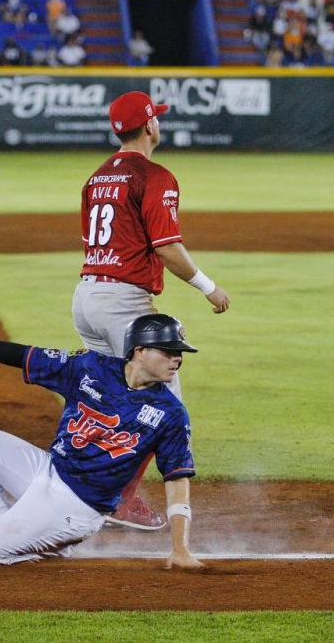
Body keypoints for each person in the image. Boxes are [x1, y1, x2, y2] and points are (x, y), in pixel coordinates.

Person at [72, 91, 230, 531]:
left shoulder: (96, 177)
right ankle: (120, 500)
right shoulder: (154, 175)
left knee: (105, 397)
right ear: (149, 127)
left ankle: (78, 485)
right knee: (162, 406)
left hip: (86, 295)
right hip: (123, 303)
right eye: (155, 119)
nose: (158, 124)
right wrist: (208, 287)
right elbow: (167, 248)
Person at [0, 313, 205, 568]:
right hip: (47, 470)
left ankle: (41, 542)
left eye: (179, 353)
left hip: (79, 507)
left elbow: (177, 478)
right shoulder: (91, 367)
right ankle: (6, 525)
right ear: (140, 351)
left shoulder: (171, 413)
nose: (177, 359)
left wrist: (180, 548)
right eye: (168, 352)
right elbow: (30, 357)